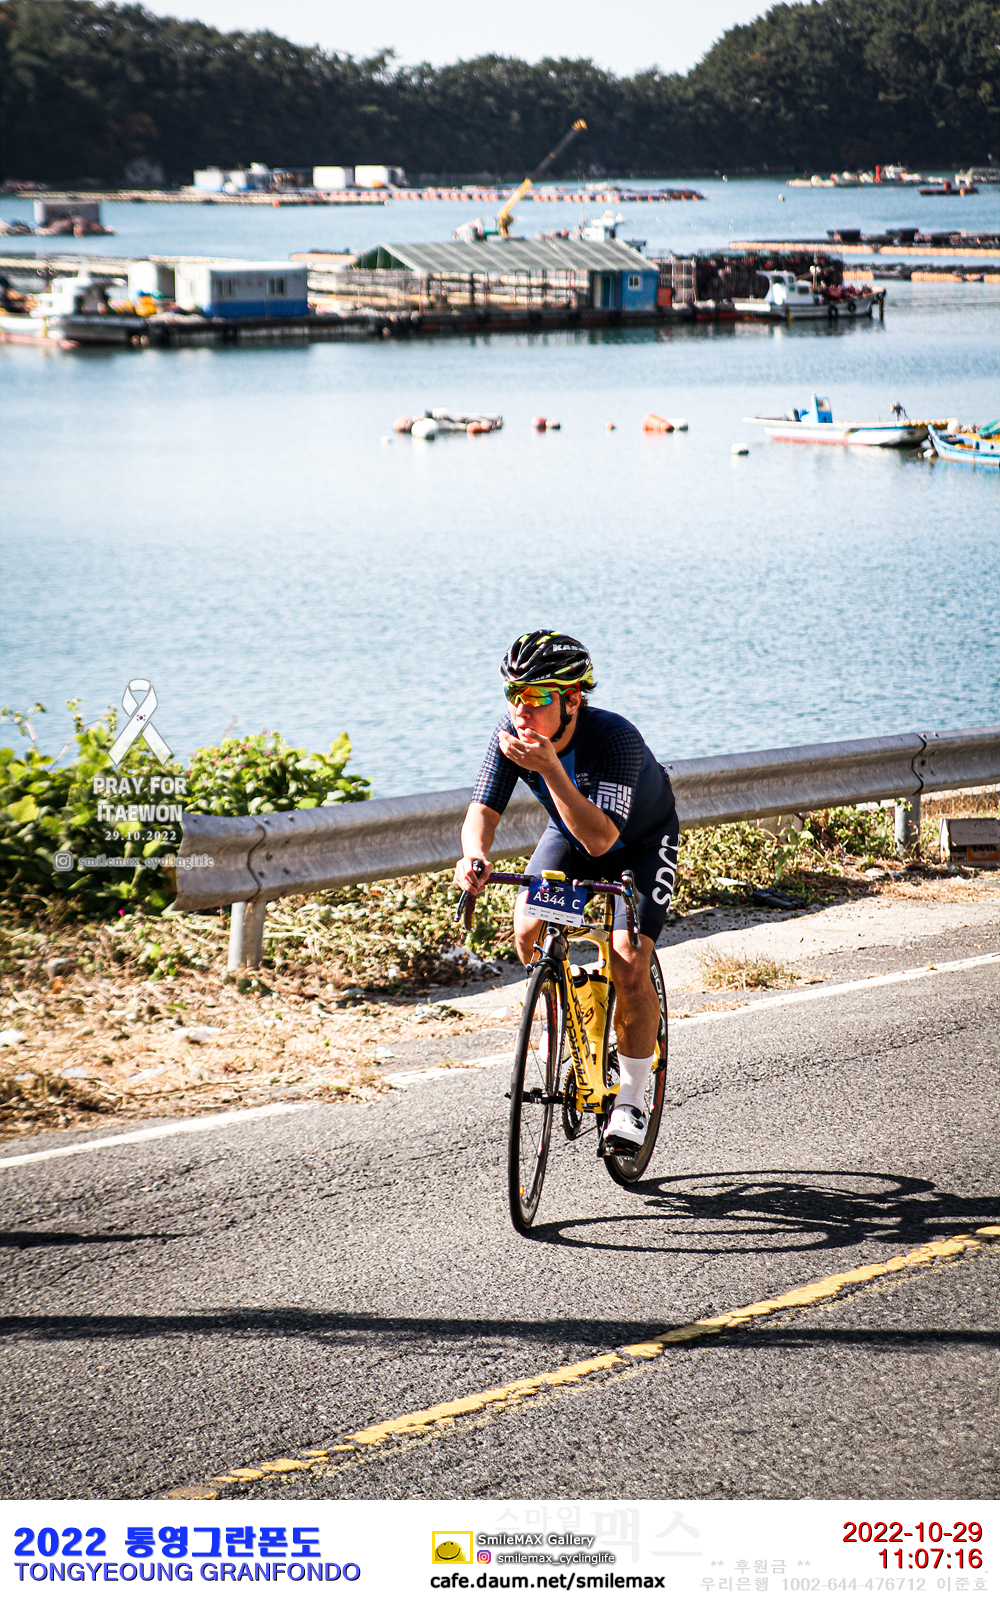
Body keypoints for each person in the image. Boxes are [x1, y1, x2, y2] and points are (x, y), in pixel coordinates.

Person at [455, 630, 679, 1150]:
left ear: (572, 699)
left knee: (628, 961)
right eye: (513, 694)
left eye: (535, 697)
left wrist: (551, 768)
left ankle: (631, 1099)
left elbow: (602, 841)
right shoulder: (510, 735)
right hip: (570, 833)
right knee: (527, 930)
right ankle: (567, 1020)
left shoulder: (616, 737)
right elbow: (482, 812)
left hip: (639, 843)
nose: (521, 709)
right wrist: (474, 855)